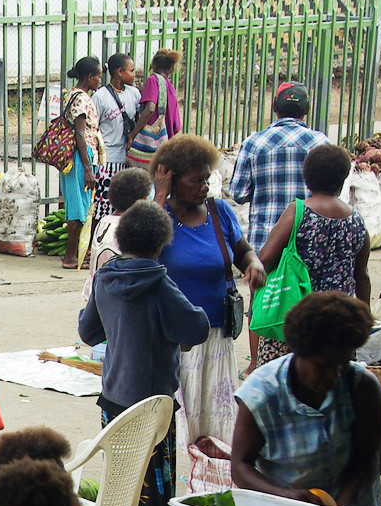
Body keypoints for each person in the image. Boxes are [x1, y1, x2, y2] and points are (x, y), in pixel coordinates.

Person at [79, 200, 210, 506]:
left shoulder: (106, 279)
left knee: (119, 473)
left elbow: (87, 330)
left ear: (121, 241)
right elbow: (196, 328)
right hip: (152, 404)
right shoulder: (160, 285)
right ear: (161, 244)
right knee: (152, 481)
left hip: (113, 398)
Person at [233, 292, 381, 506]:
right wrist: (285, 496)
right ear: (298, 351)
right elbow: (240, 466)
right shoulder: (261, 395)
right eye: (324, 366)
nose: (335, 374)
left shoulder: (362, 387)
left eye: (343, 363)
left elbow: (367, 459)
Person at [151, 134, 267, 446]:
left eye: (207, 179)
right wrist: (159, 195)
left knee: (216, 425)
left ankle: (208, 479)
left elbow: (242, 251)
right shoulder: (158, 216)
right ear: (173, 179)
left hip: (217, 336)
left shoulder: (220, 213)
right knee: (171, 425)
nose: (204, 187)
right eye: (196, 180)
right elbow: (144, 250)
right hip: (175, 341)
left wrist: (253, 264)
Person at [251, 144, 371, 368]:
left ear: (307, 177)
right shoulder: (356, 220)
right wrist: (363, 319)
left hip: (295, 322)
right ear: (343, 178)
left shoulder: (298, 211)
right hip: (337, 324)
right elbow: (361, 276)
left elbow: (264, 259)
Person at [229, 83, 329, 247]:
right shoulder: (320, 143)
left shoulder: (254, 143)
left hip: (265, 244)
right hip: (308, 243)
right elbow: (330, 193)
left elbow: (238, 193)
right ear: (307, 109)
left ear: (274, 106)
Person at [59, 57, 105, 269]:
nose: (99, 81)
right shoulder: (81, 99)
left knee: (80, 206)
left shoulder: (75, 95)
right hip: (80, 156)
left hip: (82, 154)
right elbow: (79, 133)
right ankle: (70, 257)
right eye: (97, 76)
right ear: (89, 77)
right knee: (78, 208)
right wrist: (88, 168)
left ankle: (75, 254)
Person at [84, 167, 153, 305]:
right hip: (114, 296)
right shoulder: (129, 226)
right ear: (141, 199)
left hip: (95, 290)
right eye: (147, 196)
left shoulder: (104, 221)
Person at [92, 54, 141, 191]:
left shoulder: (134, 93)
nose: (134, 74)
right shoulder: (100, 97)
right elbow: (92, 129)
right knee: (106, 203)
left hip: (129, 159)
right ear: (120, 72)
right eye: (131, 70)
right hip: (107, 160)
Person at [125, 49, 182, 168]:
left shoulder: (153, 80)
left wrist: (133, 135)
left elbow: (150, 109)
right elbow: (176, 126)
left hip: (152, 147)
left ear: (154, 64)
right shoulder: (170, 87)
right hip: (166, 146)